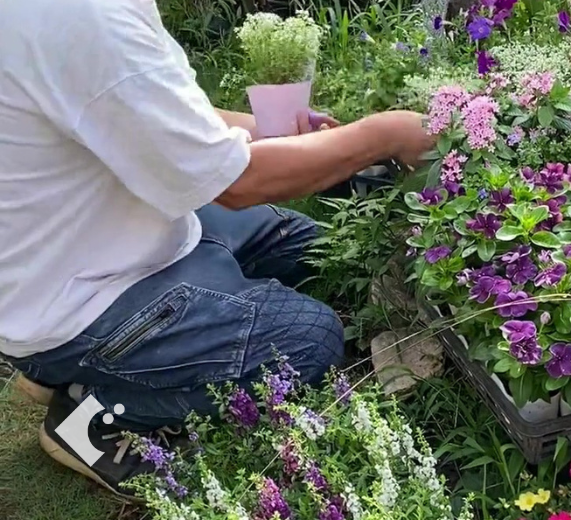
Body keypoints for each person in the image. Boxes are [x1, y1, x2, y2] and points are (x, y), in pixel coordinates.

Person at [0, 0, 435, 498]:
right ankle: (92, 409)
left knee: (309, 250)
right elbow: (240, 184)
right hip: (79, 302)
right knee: (307, 343)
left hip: (104, 236)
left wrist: (270, 130)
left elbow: (146, 109)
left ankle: (70, 369)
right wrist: (386, 135)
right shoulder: (84, 17)